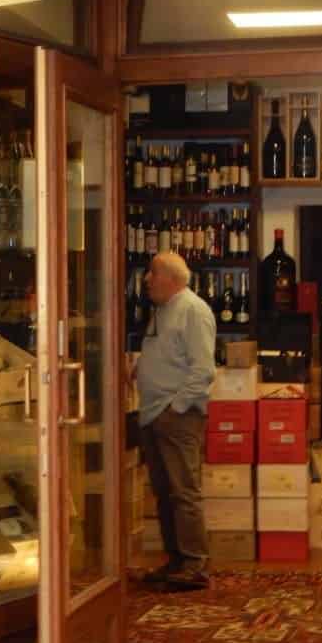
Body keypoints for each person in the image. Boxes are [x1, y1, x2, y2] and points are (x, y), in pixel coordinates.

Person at [131, 250, 215, 590]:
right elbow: (169, 356)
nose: (147, 280)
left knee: (183, 492)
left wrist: (176, 408)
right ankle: (177, 560)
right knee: (165, 493)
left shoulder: (193, 310)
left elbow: (203, 370)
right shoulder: (163, 310)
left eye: (152, 273)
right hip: (154, 413)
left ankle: (195, 564)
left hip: (175, 417)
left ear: (170, 278)